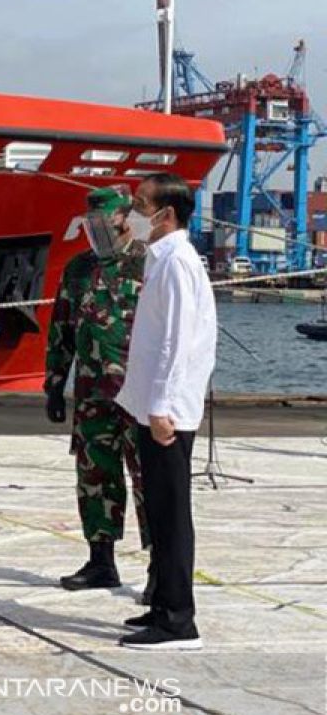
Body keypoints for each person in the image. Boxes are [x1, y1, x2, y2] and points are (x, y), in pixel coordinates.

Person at [115, 172, 216, 650]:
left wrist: (160, 407)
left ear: (166, 214)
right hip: (153, 406)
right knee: (158, 509)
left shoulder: (177, 263)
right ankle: (161, 604)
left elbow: (177, 343)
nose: (133, 213)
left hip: (167, 412)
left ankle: (179, 619)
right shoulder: (161, 260)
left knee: (173, 515)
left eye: (140, 204)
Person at [44, 188, 152, 595]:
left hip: (139, 396)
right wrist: (55, 385)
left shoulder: (148, 263)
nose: (98, 232)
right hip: (92, 397)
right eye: (92, 226)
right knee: (95, 478)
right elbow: (61, 332)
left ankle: (160, 567)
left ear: (125, 220)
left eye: (104, 224)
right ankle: (100, 561)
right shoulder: (78, 269)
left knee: (148, 482)